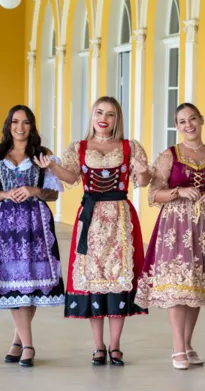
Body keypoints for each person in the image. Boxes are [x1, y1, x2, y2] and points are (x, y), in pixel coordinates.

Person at [38, 96, 151, 366]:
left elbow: (143, 181)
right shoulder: (79, 147)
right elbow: (71, 177)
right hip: (90, 217)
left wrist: (143, 170)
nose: (104, 118)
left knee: (118, 277)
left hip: (120, 217)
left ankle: (115, 345)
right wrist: (51, 166)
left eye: (110, 114)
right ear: (92, 116)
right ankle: (98, 345)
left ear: (117, 119)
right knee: (92, 279)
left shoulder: (129, 146)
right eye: (99, 112)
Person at [136, 102, 205, 370]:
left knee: (194, 287)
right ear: (177, 126)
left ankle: (187, 344)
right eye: (183, 121)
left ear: (201, 120)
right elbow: (154, 193)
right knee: (177, 287)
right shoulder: (169, 155)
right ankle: (177, 348)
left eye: (193, 119)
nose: (189, 125)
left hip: (204, 227)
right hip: (175, 227)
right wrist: (178, 192)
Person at [0, 105, 66, 368]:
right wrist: (6, 194)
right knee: (15, 280)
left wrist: (32, 189)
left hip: (36, 222)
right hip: (5, 224)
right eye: (15, 121)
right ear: (8, 125)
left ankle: (19, 341)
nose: (20, 127)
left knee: (33, 281)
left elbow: (53, 194)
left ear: (32, 126)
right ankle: (27, 344)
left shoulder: (42, 156)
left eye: (26, 122)